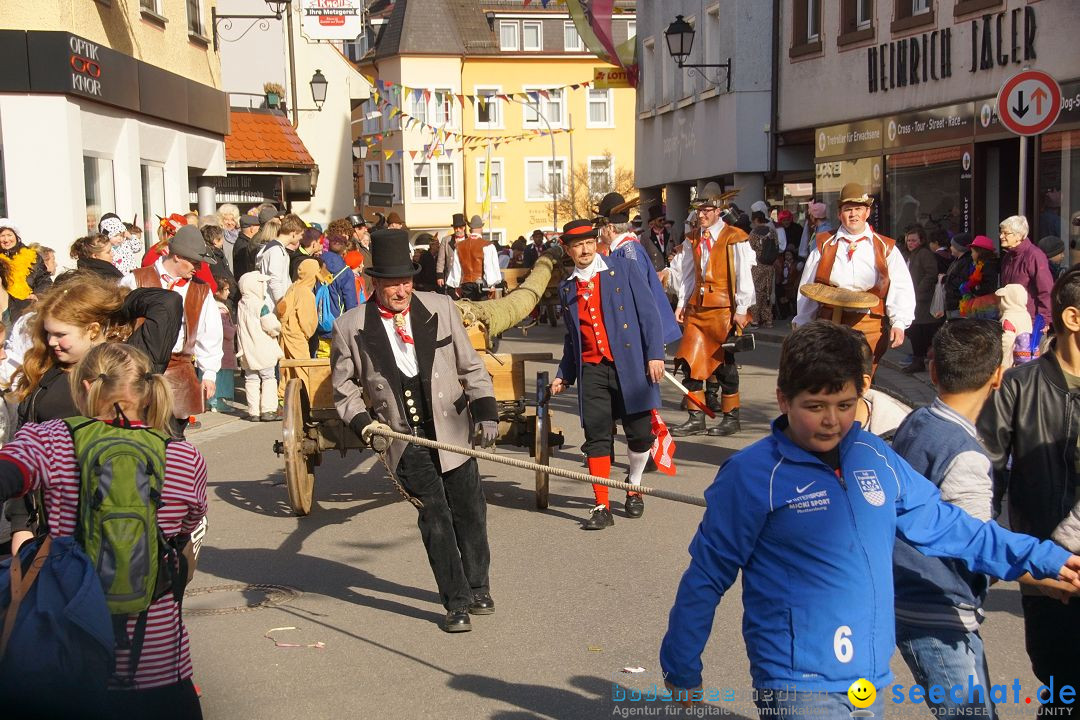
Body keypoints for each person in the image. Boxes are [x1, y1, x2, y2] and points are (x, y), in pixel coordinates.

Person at [659, 320, 1080, 714]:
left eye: (845, 404)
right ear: (783, 399)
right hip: (797, 683)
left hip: (870, 679)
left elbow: (952, 528)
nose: (832, 420)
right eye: (815, 405)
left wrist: (1046, 557)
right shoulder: (752, 475)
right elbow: (706, 576)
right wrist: (682, 667)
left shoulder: (875, 455)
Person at [0, 342, 208, 718]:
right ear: (148, 391)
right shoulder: (184, 457)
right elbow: (187, 548)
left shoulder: (48, 439)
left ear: (84, 388)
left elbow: (9, 473)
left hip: (70, 664)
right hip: (160, 669)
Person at [331, 228, 498, 633]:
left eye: (405, 281)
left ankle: (477, 585)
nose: (401, 290)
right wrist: (364, 423)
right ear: (376, 283)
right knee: (436, 518)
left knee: (469, 512)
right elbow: (343, 387)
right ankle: (455, 602)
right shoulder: (350, 325)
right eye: (392, 283)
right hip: (403, 439)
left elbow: (470, 365)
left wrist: (487, 412)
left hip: (452, 429)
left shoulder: (440, 307)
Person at [891, 319, 1013, 720]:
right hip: (940, 612)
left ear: (933, 371)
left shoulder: (917, 421)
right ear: (997, 376)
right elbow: (979, 546)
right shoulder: (966, 455)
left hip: (906, 598)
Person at [978, 267, 1080, 716]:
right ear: (1073, 318)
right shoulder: (1019, 385)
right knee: (1061, 682)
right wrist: (1001, 553)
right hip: (1048, 568)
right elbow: (984, 474)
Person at [551, 219, 665, 529]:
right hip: (592, 370)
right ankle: (601, 505)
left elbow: (649, 313)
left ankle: (634, 484)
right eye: (577, 245)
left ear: (596, 243)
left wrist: (655, 353)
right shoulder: (567, 287)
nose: (585, 249)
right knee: (597, 437)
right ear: (569, 250)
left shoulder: (623, 269)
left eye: (589, 242)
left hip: (629, 363)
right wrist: (565, 373)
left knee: (640, 435)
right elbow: (572, 338)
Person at [794, 183, 915, 375]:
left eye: (858, 209)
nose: (853, 214)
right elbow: (808, 288)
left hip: (870, 323)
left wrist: (899, 322)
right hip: (829, 322)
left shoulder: (886, 248)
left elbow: (901, 287)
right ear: (839, 213)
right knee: (831, 378)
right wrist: (802, 323)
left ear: (867, 212)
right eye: (848, 209)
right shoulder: (824, 245)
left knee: (862, 380)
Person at [669, 183, 754, 437]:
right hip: (698, 309)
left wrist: (741, 308)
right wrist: (682, 304)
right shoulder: (692, 238)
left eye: (707, 209)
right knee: (689, 361)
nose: (701, 214)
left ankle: (731, 417)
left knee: (724, 364)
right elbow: (686, 275)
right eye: (698, 209)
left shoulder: (734, 237)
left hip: (723, 310)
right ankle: (697, 416)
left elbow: (743, 275)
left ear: (719, 210)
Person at [123, 225, 223, 434]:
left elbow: (210, 332)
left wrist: (209, 373)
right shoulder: (136, 279)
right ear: (177, 256)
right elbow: (117, 322)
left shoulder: (200, 290)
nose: (198, 268)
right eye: (194, 262)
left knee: (173, 440)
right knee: (138, 436)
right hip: (137, 370)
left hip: (178, 370)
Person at [595, 192, 681, 346]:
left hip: (643, 332)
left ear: (610, 228)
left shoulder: (628, 253)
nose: (599, 232)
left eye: (601, 227)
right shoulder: (624, 249)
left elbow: (642, 299)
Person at [235, 271, 282, 422]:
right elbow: (270, 323)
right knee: (269, 377)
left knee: (251, 379)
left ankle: (253, 411)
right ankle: (268, 410)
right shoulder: (261, 305)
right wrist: (276, 329)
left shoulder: (241, 304)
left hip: (247, 350)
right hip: (262, 348)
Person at [902, 225, 943, 374]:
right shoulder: (911, 255)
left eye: (913, 240)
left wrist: (918, 290)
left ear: (921, 240)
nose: (910, 243)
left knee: (921, 330)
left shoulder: (924, 253)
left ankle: (920, 360)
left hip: (922, 299)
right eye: (908, 240)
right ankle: (919, 359)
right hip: (914, 298)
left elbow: (931, 274)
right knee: (915, 330)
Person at [999, 214, 1053, 326]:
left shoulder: (1034, 256)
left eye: (1006, 233)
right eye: (1001, 232)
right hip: (1009, 320)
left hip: (1030, 323)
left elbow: (1046, 290)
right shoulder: (1008, 257)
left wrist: (1044, 320)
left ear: (1019, 236)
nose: (1001, 236)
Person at [277, 257, 319, 397]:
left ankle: (284, 396)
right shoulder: (306, 293)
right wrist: (308, 334)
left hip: (285, 332)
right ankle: (310, 397)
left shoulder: (293, 287)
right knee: (303, 368)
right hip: (297, 335)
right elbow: (308, 321)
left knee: (287, 369)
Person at [0, 218, 52, 321]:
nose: (6, 240)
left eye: (9, 235)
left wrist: (38, 295)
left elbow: (44, 279)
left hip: (31, 308)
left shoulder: (32, 256)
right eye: (2, 236)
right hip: (5, 312)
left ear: (16, 236)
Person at [446, 215, 501, 301]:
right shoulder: (487, 245)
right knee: (482, 311)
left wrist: (456, 285)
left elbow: (456, 268)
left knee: (468, 310)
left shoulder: (459, 246)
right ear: (481, 228)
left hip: (466, 285)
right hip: (481, 285)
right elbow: (489, 267)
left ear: (471, 229)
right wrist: (492, 285)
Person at [257, 213, 306, 305]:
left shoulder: (274, 248)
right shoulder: (276, 251)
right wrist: (281, 304)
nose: (301, 237)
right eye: (301, 234)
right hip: (273, 305)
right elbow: (274, 281)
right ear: (294, 233)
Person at [747, 211, 778, 329]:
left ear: (755, 220)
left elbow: (750, 251)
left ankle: (755, 319)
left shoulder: (753, 233)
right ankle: (768, 319)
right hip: (770, 266)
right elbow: (776, 247)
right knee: (767, 293)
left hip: (757, 266)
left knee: (756, 292)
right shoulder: (772, 232)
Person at [958, 235, 1000, 319]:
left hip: (986, 303)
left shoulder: (988, 265)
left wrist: (974, 289)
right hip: (981, 301)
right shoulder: (978, 265)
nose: (971, 255)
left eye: (973, 252)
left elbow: (989, 286)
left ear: (980, 252)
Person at [997, 283, 1038, 368]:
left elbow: (1006, 342)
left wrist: (1001, 362)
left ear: (1007, 300)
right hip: (1027, 360)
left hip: (1011, 364)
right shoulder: (1025, 315)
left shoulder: (1008, 318)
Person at [943, 233, 974, 319]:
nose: (950, 248)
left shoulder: (966, 261)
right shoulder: (957, 260)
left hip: (959, 304)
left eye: (952, 245)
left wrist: (946, 279)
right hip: (953, 304)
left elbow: (963, 281)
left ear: (959, 248)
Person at [437, 213, 467, 291]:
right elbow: (441, 259)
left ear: (464, 227)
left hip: (466, 277)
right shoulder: (446, 240)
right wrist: (439, 275)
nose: (457, 230)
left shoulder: (469, 239)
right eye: (455, 228)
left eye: (460, 227)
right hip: (451, 275)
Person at [231, 214, 262, 278]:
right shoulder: (244, 246)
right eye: (259, 227)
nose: (260, 230)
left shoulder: (242, 242)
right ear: (252, 228)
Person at [643, 205, 673, 273]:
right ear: (654, 221)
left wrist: (674, 256)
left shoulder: (671, 232)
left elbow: (677, 249)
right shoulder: (645, 236)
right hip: (655, 272)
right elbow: (643, 256)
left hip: (670, 271)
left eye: (664, 219)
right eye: (660, 220)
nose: (663, 221)